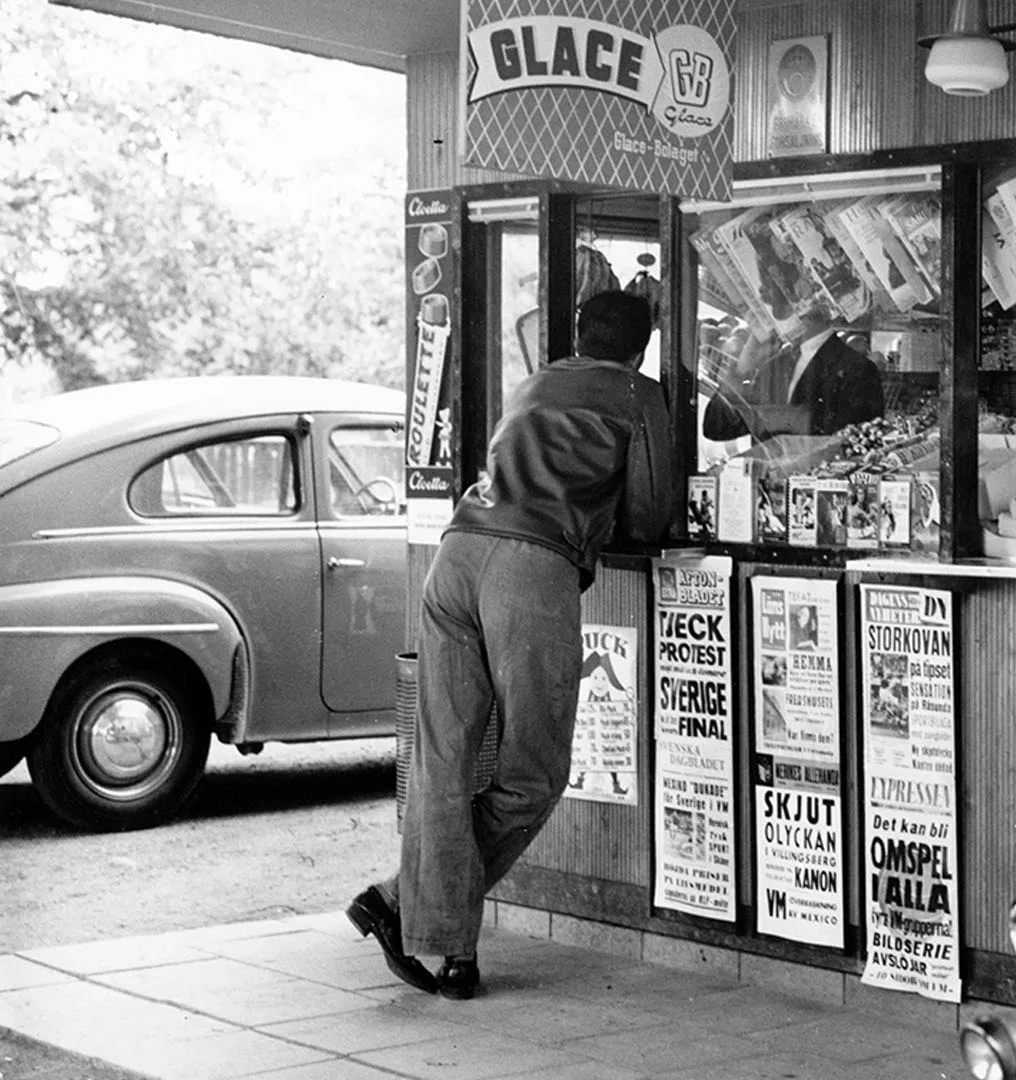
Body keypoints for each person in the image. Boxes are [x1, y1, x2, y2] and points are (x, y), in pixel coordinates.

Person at [347, 290, 676, 1001]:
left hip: (457, 555)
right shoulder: (636, 393)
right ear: (642, 347)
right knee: (532, 773)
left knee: (442, 759)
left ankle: (446, 948)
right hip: (530, 571)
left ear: (578, 334)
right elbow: (650, 513)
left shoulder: (534, 381)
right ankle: (404, 903)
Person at [701, 315, 885, 442]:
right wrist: (740, 370)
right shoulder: (774, 366)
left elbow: (856, 443)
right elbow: (717, 428)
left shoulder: (857, 369)